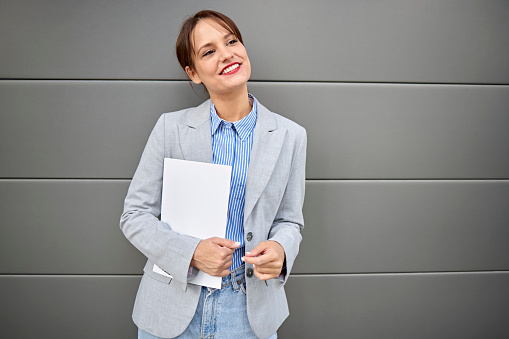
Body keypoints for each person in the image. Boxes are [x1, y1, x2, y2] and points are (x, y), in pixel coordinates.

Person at [120, 10, 306, 339]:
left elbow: (290, 221)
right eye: (209, 51)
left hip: (249, 314)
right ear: (193, 73)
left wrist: (281, 249)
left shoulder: (291, 136)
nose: (226, 54)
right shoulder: (170, 129)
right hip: (171, 306)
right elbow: (134, 215)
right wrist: (191, 253)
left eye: (231, 41)